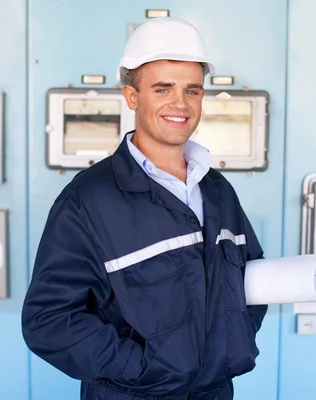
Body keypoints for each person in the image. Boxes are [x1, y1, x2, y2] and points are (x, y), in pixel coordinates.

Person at [21, 17, 268, 400]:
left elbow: (251, 277)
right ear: (132, 97)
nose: (180, 104)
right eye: (163, 89)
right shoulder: (88, 201)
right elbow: (48, 320)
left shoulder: (217, 190)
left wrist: (234, 342)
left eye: (193, 91)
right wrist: (140, 369)